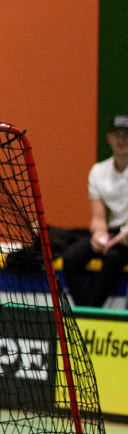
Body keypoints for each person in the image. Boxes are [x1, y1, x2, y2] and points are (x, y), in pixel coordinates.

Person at [61, 115, 128, 308]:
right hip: (114, 231)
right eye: (117, 135)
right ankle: (88, 311)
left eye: (126, 135)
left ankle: (90, 314)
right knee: (71, 258)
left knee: (113, 257)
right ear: (109, 138)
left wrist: (115, 241)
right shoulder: (98, 171)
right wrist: (100, 236)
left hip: (125, 237)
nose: (121, 140)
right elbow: (98, 218)